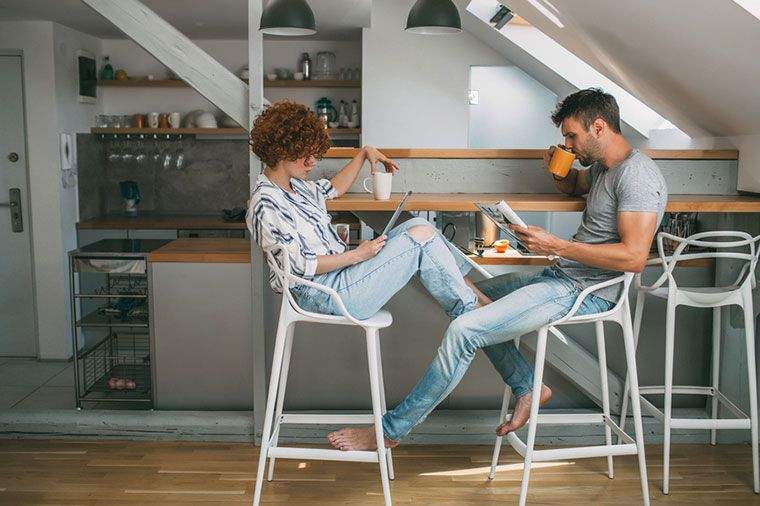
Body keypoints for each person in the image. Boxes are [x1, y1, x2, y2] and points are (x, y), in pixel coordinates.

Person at [328, 88, 668, 452]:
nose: (567, 143)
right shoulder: (603, 168)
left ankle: (389, 432)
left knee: (464, 330)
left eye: (571, 136)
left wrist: (557, 245)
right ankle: (527, 386)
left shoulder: (638, 176)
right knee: (466, 297)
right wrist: (559, 170)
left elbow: (634, 256)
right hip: (563, 276)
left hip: (586, 292)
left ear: (598, 127)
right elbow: (575, 187)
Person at [247, 101, 491, 347]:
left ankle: (475, 304)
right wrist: (357, 255)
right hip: (325, 294)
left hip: (340, 278)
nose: (312, 162)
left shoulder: (298, 187)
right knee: (422, 235)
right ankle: (478, 310)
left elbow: (334, 187)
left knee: (417, 224)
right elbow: (300, 267)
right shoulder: (265, 203)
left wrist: (364, 153)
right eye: (304, 155)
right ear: (281, 150)